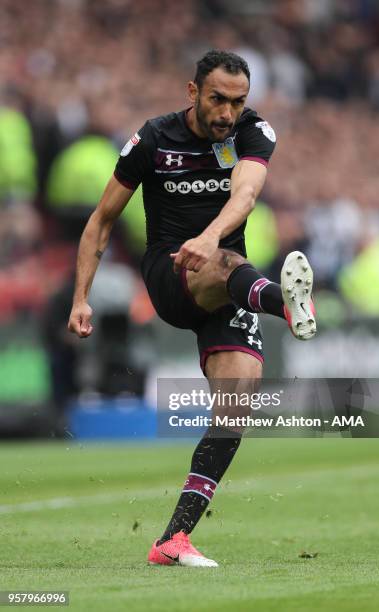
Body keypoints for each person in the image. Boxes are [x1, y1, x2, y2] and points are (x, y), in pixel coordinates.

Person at [68, 50, 316, 568]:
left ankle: (172, 541)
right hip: (171, 274)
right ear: (192, 93)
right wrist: (80, 298)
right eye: (217, 100)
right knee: (226, 262)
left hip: (228, 281)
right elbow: (101, 220)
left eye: (238, 102)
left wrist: (208, 235)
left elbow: (246, 196)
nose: (227, 113)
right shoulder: (154, 139)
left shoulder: (254, 132)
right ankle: (285, 305)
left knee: (234, 411)